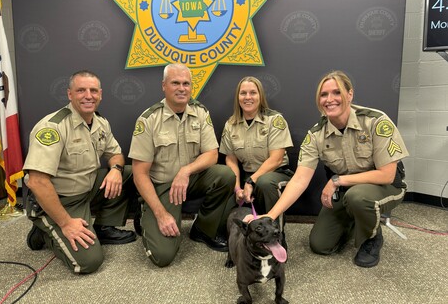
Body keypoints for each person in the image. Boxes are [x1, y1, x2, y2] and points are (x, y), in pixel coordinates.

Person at [247, 70, 408, 268]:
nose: (329, 99)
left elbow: (387, 174)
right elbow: (299, 180)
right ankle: (355, 220)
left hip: (386, 187)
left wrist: (338, 180)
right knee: (320, 244)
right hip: (347, 192)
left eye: (337, 92)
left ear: (350, 94)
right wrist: (270, 215)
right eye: (324, 95)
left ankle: (372, 238)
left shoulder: (376, 121)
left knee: (358, 197)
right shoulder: (316, 134)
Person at [24, 70, 136, 274]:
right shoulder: (53, 127)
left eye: (93, 90)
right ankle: (43, 231)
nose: (88, 95)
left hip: (88, 190)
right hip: (60, 200)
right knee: (89, 262)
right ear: (70, 94)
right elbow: (37, 182)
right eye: (81, 90)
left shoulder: (100, 123)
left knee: (127, 172)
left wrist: (116, 170)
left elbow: (116, 154)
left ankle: (104, 227)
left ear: (100, 94)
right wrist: (66, 224)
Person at [129, 63, 236, 267]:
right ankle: (147, 215)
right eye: (175, 83)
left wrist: (186, 171)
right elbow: (139, 174)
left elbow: (212, 154)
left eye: (186, 83)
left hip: (190, 180)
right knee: (163, 256)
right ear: (164, 86)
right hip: (161, 186)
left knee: (225, 175)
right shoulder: (149, 119)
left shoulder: (200, 112)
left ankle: (203, 229)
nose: (181, 88)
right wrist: (161, 214)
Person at [219, 76, 294, 234]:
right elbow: (231, 159)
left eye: (253, 93)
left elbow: (276, 159)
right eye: (243, 93)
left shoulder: (274, 120)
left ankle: (277, 234)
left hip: (275, 174)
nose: (248, 97)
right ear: (237, 97)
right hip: (246, 176)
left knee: (265, 183)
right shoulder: (230, 124)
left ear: (260, 96)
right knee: (224, 221)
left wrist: (252, 181)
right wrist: (237, 188)